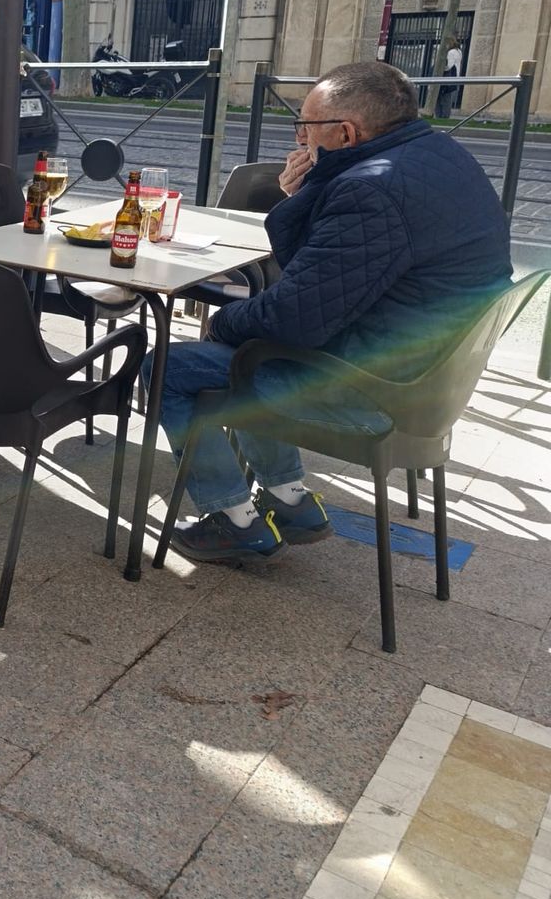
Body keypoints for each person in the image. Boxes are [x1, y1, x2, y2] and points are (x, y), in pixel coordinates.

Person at [152, 61, 512, 562]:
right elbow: (325, 284)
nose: (299, 137)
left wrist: (219, 323)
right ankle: (289, 500)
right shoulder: (440, 156)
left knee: (167, 365)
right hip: (425, 379)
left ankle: (233, 519)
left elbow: (296, 318)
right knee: (249, 349)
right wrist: (308, 195)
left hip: (375, 392)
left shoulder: (370, 190)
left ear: (345, 133)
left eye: (305, 126)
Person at [434, 36, 463, 119]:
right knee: (446, 97)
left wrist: (439, 68)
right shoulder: (458, 52)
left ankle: (442, 115)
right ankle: (444, 115)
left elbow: (448, 66)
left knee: (443, 98)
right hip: (454, 77)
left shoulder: (451, 52)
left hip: (447, 77)